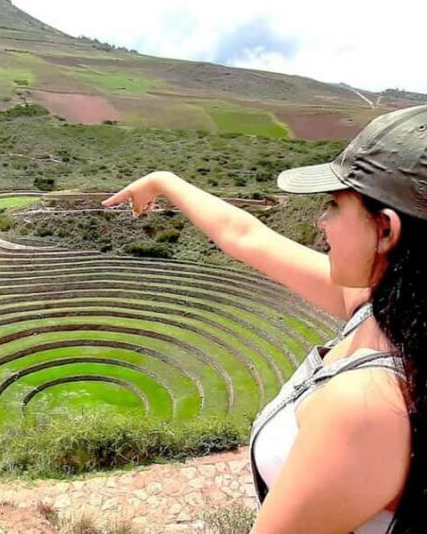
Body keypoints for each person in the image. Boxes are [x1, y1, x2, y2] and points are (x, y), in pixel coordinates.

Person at [102, 104, 427, 533]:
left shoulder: (366, 405)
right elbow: (246, 236)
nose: (321, 221)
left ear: (386, 230)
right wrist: (164, 182)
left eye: (333, 204)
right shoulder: (385, 311)